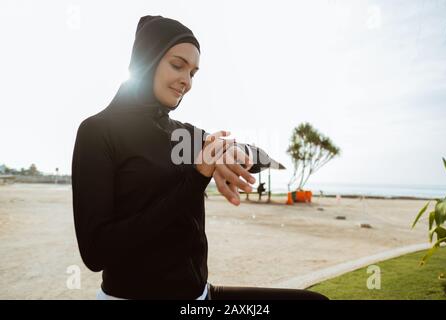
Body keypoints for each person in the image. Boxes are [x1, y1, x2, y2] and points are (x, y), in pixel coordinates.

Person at [72, 14, 328, 300]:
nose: (187, 82)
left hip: (201, 297)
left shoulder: (184, 135)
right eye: (178, 66)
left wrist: (233, 152)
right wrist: (197, 178)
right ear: (147, 59)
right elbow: (96, 252)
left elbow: (260, 156)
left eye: (193, 73)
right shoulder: (99, 131)